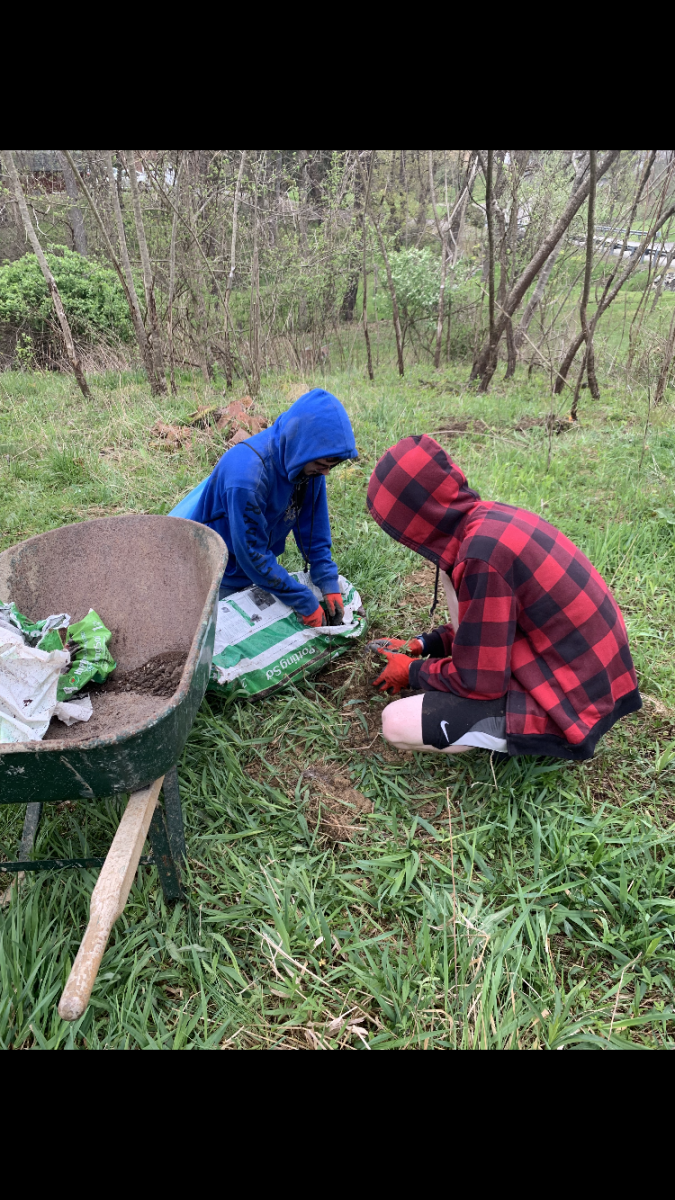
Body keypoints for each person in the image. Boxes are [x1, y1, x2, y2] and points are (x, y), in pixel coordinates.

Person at [367, 434, 641, 760]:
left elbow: (478, 681)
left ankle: (534, 736)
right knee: (449, 582)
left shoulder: (480, 558)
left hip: (574, 703)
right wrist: (425, 645)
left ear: (416, 515)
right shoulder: (485, 522)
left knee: (396, 722)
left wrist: (413, 671)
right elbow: (488, 628)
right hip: (592, 680)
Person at [170, 389, 357, 625]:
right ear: (301, 447)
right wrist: (304, 601)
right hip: (214, 569)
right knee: (208, 634)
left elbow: (314, 530)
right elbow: (252, 553)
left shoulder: (309, 467)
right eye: (322, 464)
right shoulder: (248, 477)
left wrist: (328, 581)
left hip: (253, 567)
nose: (326, 472)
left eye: (332, 465)